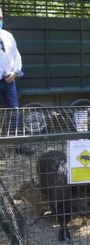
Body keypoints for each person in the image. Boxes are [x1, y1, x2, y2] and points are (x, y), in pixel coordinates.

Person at [0, 7, 34, 156]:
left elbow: (16, 56)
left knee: (14, 112)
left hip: (9, 81)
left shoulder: (8, 36)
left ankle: (19, 144)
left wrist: (15, 73)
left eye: (0, 17)